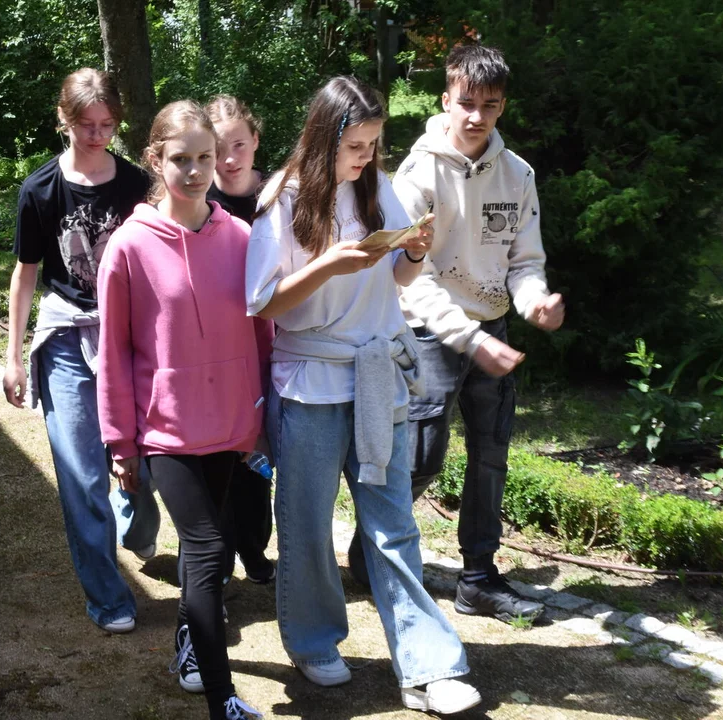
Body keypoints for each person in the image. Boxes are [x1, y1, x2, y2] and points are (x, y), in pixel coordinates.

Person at [247, 76, 482, 716]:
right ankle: (314, 639)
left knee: (393, 525)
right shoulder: (283, 198)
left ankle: (429, 665)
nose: (365, 158)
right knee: (305, 523)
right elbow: (262, 304)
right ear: (324, 138)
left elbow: (403, 278)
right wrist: (327, 266)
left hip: (378, 374)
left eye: (373, 145)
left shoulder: (378, 189)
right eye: (355, 145)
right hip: (310, 384)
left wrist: (413, 251)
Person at [97, 99, 270, 720]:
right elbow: (114, 352)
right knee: (202, 545)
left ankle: (189, 643)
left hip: (230, 425)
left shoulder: (245, 239)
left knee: (217, 548)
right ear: (155, 159)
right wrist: (121, 442)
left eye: (205, 157)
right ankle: (223, 699)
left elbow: (263, 336)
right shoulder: (128, 247)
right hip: (166, 430)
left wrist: (263, 418)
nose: (197, 170)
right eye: (181, 159)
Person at [382, 44, 565, 622]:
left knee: (491, 456)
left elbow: (523, 260)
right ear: (446, 98)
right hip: (432, 336)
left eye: (489, 105)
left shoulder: (519, 175)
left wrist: (534, 301)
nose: (476, 116)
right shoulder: (416, 175)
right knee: (422, 459)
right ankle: (381, 556)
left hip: (493, 327)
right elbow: (413, 281)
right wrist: (470, 339)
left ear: (502, 105)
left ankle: (478, 579)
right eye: (466, 103)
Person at [2, 67, 157, 634]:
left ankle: (135, 518)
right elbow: (25, 274)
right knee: (81, 472)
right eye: (85, 126)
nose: (97, 136)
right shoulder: (39, 189)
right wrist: (14, 355)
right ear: (63, 121)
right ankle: (107, 596)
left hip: (132, 336)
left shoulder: (140, 185)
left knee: (148, 459)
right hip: (67, 336)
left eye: (107, 125)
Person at [204, 94, 275, 585]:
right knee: (217, 457)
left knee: (258, 455)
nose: (229, 161)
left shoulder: (277, 196)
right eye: (218, 149)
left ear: (255, 142)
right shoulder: (196, 199)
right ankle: (221, 554)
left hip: (271, 343)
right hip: (213, 345)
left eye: (239, 146)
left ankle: (254, 546)